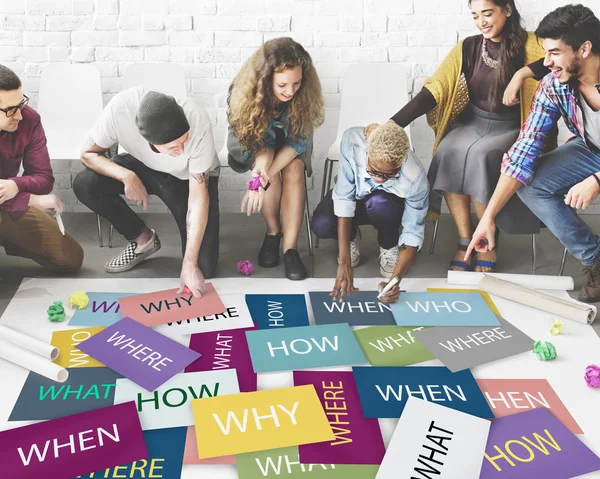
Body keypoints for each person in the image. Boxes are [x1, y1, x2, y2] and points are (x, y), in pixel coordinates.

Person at [376, 0, 555, 273]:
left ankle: (487, 241)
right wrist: (393, 124)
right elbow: (435, 88)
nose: (481, 21)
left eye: (487, 13)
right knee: (448, 150)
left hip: (513, 126)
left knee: (480, 157)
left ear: (507, 10)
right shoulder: (468, 47)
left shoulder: (533, 43)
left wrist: (522, 73)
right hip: (473, 121)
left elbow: (561, 57)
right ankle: (465, 238)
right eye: (475, 16)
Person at [467, 4, 600, 303]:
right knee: (532, 184)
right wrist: (488, 217)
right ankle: (596, 260)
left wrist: (597, 180)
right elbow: (525, 148)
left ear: (584, 49)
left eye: (554, 52)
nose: (546, 62)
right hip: (591, 149)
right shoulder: (555, 86)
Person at [74, 87, 220, 297]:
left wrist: (189, 264)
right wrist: (127, 176)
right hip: (143, 166)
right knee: (85, 183)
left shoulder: (198, 120)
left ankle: (191, 261)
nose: (180, 150)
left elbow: (198, 198)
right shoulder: (119, 110)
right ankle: (143, 238)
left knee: (203, 266)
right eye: (173, 147)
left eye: (184, 141)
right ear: (150, 142)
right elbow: (87, 154)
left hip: (189, 177)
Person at [227, 37, 325, 281]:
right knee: (268, 169)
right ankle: (273, 232)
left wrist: (263, 177)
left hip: (292, 144)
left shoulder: (304, 95)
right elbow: (255, 144)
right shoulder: (243, 93)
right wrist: (262, 170)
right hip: (253, 144)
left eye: (297, 83)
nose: (290, 91)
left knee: (293, 170)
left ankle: (290, 248)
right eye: (282, 85)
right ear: (266, 78)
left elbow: (299, 141)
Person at [311, 122, 429, 303]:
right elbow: (344, 198)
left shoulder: (415, 179)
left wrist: (394, 282)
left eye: (389, 175)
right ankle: (351, 236)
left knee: (380, 201)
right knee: (322, 224)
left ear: (401, 161)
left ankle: (389, 244)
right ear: (367, 152)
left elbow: (412, 233)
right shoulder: (352, 142)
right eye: (373, 170)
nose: (379, 179)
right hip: (355, 198)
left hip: (386, 208)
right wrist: (344, 263)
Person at [0, 64, 83, 273]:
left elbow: (44, 178)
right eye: (10, 110)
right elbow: (33, 195)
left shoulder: (29, 119)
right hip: (13, 202)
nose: (19, 115)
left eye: (20, 104)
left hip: (8, 204)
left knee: (71, 257)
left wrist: (15, 185)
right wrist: (30, 199)